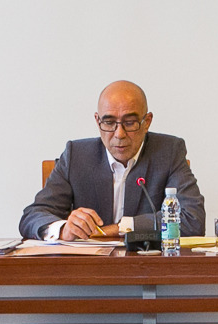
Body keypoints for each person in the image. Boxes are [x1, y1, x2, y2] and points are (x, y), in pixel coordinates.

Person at [20, 80, 205, 241]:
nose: (119, 134)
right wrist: (63, 229)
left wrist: (120, 228)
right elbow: (33, 216)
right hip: (88, 267)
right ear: (97, 121)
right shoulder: (76, 155)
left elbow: (193, 219)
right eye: (109, 123)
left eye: (130, 123)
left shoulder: (168, 152)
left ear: (147, 122)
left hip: (146, 265)